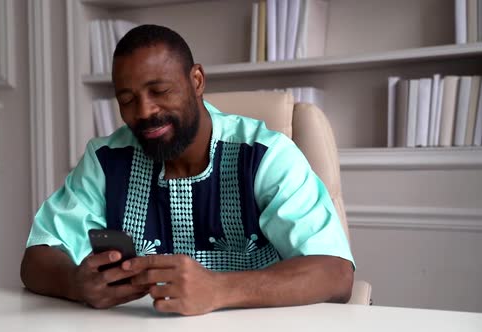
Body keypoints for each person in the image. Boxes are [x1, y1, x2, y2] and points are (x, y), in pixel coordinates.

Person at [21, 24, 355, 316]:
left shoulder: (266, 155)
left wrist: (220, 289)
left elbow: (335, 272)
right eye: (127, 99)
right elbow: (37, 258)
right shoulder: (106, 160)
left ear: (196, 80)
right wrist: (76, 284)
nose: (145, 110)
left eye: (160, 91)